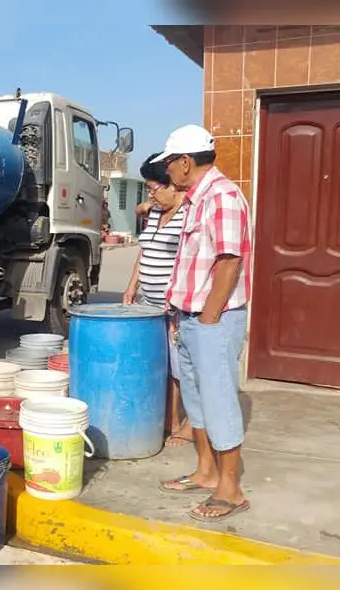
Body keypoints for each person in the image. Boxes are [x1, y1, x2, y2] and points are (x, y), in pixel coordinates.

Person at [152, 125, 254, 522]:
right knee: (196, 401)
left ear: (184, 161)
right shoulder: (198, 198)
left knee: (219, 400)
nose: (167, 172)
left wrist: (209, 317)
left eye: (169, 163)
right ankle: (207, 472)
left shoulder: (223, 196)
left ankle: (231, 489)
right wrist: (182, 314)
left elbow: (229, 262)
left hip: (214, 320)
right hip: (192, 318)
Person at [122, 153, 192, 448]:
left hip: (172, 304)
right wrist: (131, 286)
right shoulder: (153, 212)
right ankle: (166, 415)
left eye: (154, 188)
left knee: (178, 365)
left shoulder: (187, 215)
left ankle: (178, 421)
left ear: (174, 186)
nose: (150, 194)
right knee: (158, 360)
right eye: (148, 189)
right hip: (148, 302)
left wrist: (176, 301)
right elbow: (145, 252)